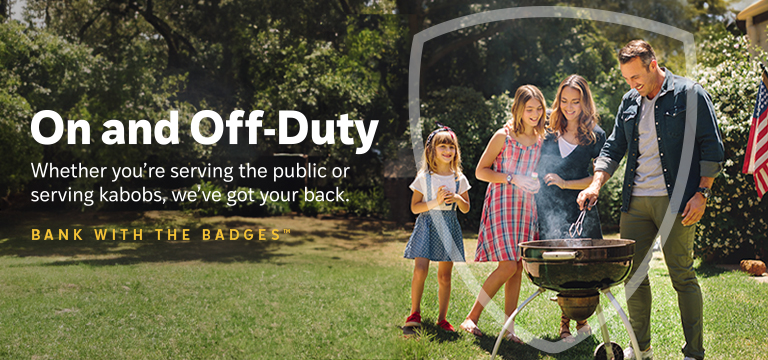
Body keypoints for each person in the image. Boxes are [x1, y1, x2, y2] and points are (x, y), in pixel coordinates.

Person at [577, 40, 724, 360]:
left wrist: (702, 194)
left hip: (677, 201)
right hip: (636, 203)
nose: (631, 85)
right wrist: (595, 184)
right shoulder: (629, 101)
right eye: (627, 79)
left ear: (653, 64)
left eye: (636, 77)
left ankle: (693, 353)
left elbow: (711, 146)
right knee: (634, 276)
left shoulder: (689, 93)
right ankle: (640, 349)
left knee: (682, 275)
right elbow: (613, 148)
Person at [459, 85, 546, 343]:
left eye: (539, 108)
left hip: (525, 206)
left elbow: (533, 172)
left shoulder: (541, 139)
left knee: (517, 267)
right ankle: (471, 317)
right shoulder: (503, 136)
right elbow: (480, 171)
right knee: (508, 264)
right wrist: (512, 178)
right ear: (517, 109)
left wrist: (535, 182)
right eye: (529, 108)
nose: (535, 113)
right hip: (502, 202)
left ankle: (509, 330)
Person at [537, 75, 606, 339]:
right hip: (550, 210)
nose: (569, 107)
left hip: (582, 208)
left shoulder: (595, 136)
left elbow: (599, 176)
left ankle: (581, 322)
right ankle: (565, 325)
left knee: (584, 267)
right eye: (564, 101)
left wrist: (566, 183)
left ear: (584, 102)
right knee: (562, 267)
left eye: (575, 101)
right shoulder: (548, 134)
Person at [403, 124, 471, 333]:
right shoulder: (425, 178)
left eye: (451, 147)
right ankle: (415, 312)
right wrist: (435, 201)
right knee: (420, 269)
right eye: (442, 147)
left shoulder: (459, 178)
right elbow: (415, 207)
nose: (447, 151)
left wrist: (457, 198)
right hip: (427, 224)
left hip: (449, 226)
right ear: (432, 150)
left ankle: (443, 318)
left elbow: (466, 208)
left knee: (444, 276)